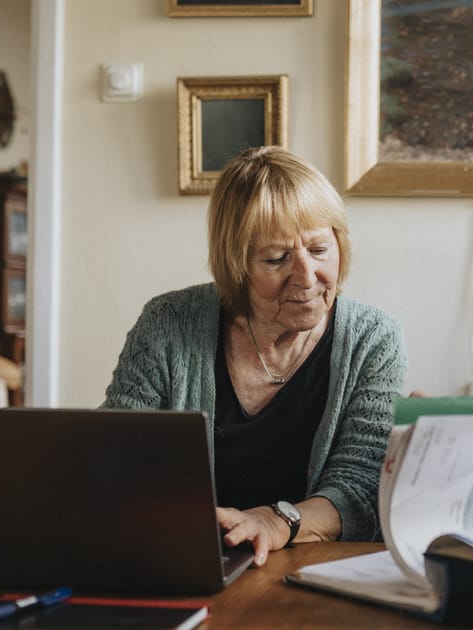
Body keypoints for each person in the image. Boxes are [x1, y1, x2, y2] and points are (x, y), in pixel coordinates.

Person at [103, 146, 407, 566]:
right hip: (187, 559)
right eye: (275, 258)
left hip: (317, 567)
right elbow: (114, 455)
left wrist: (277, 521)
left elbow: (360, 485)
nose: (306, 275)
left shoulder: (373, 339)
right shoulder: (168, 323)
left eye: (319, 249)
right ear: (235, 265)